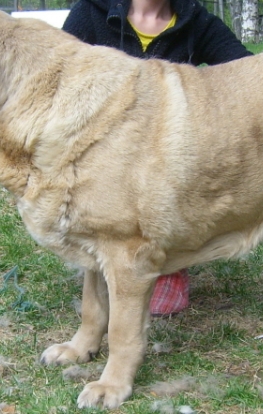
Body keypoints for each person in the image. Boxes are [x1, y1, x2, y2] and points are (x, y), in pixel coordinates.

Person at [62, 0, 252, 316]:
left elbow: (248, 73)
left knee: (157, 303)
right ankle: (105, 255)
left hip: (162, 173)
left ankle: (162, 256)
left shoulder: (195, 19)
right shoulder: (89, 14)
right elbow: (62, 82)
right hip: (100, 169)